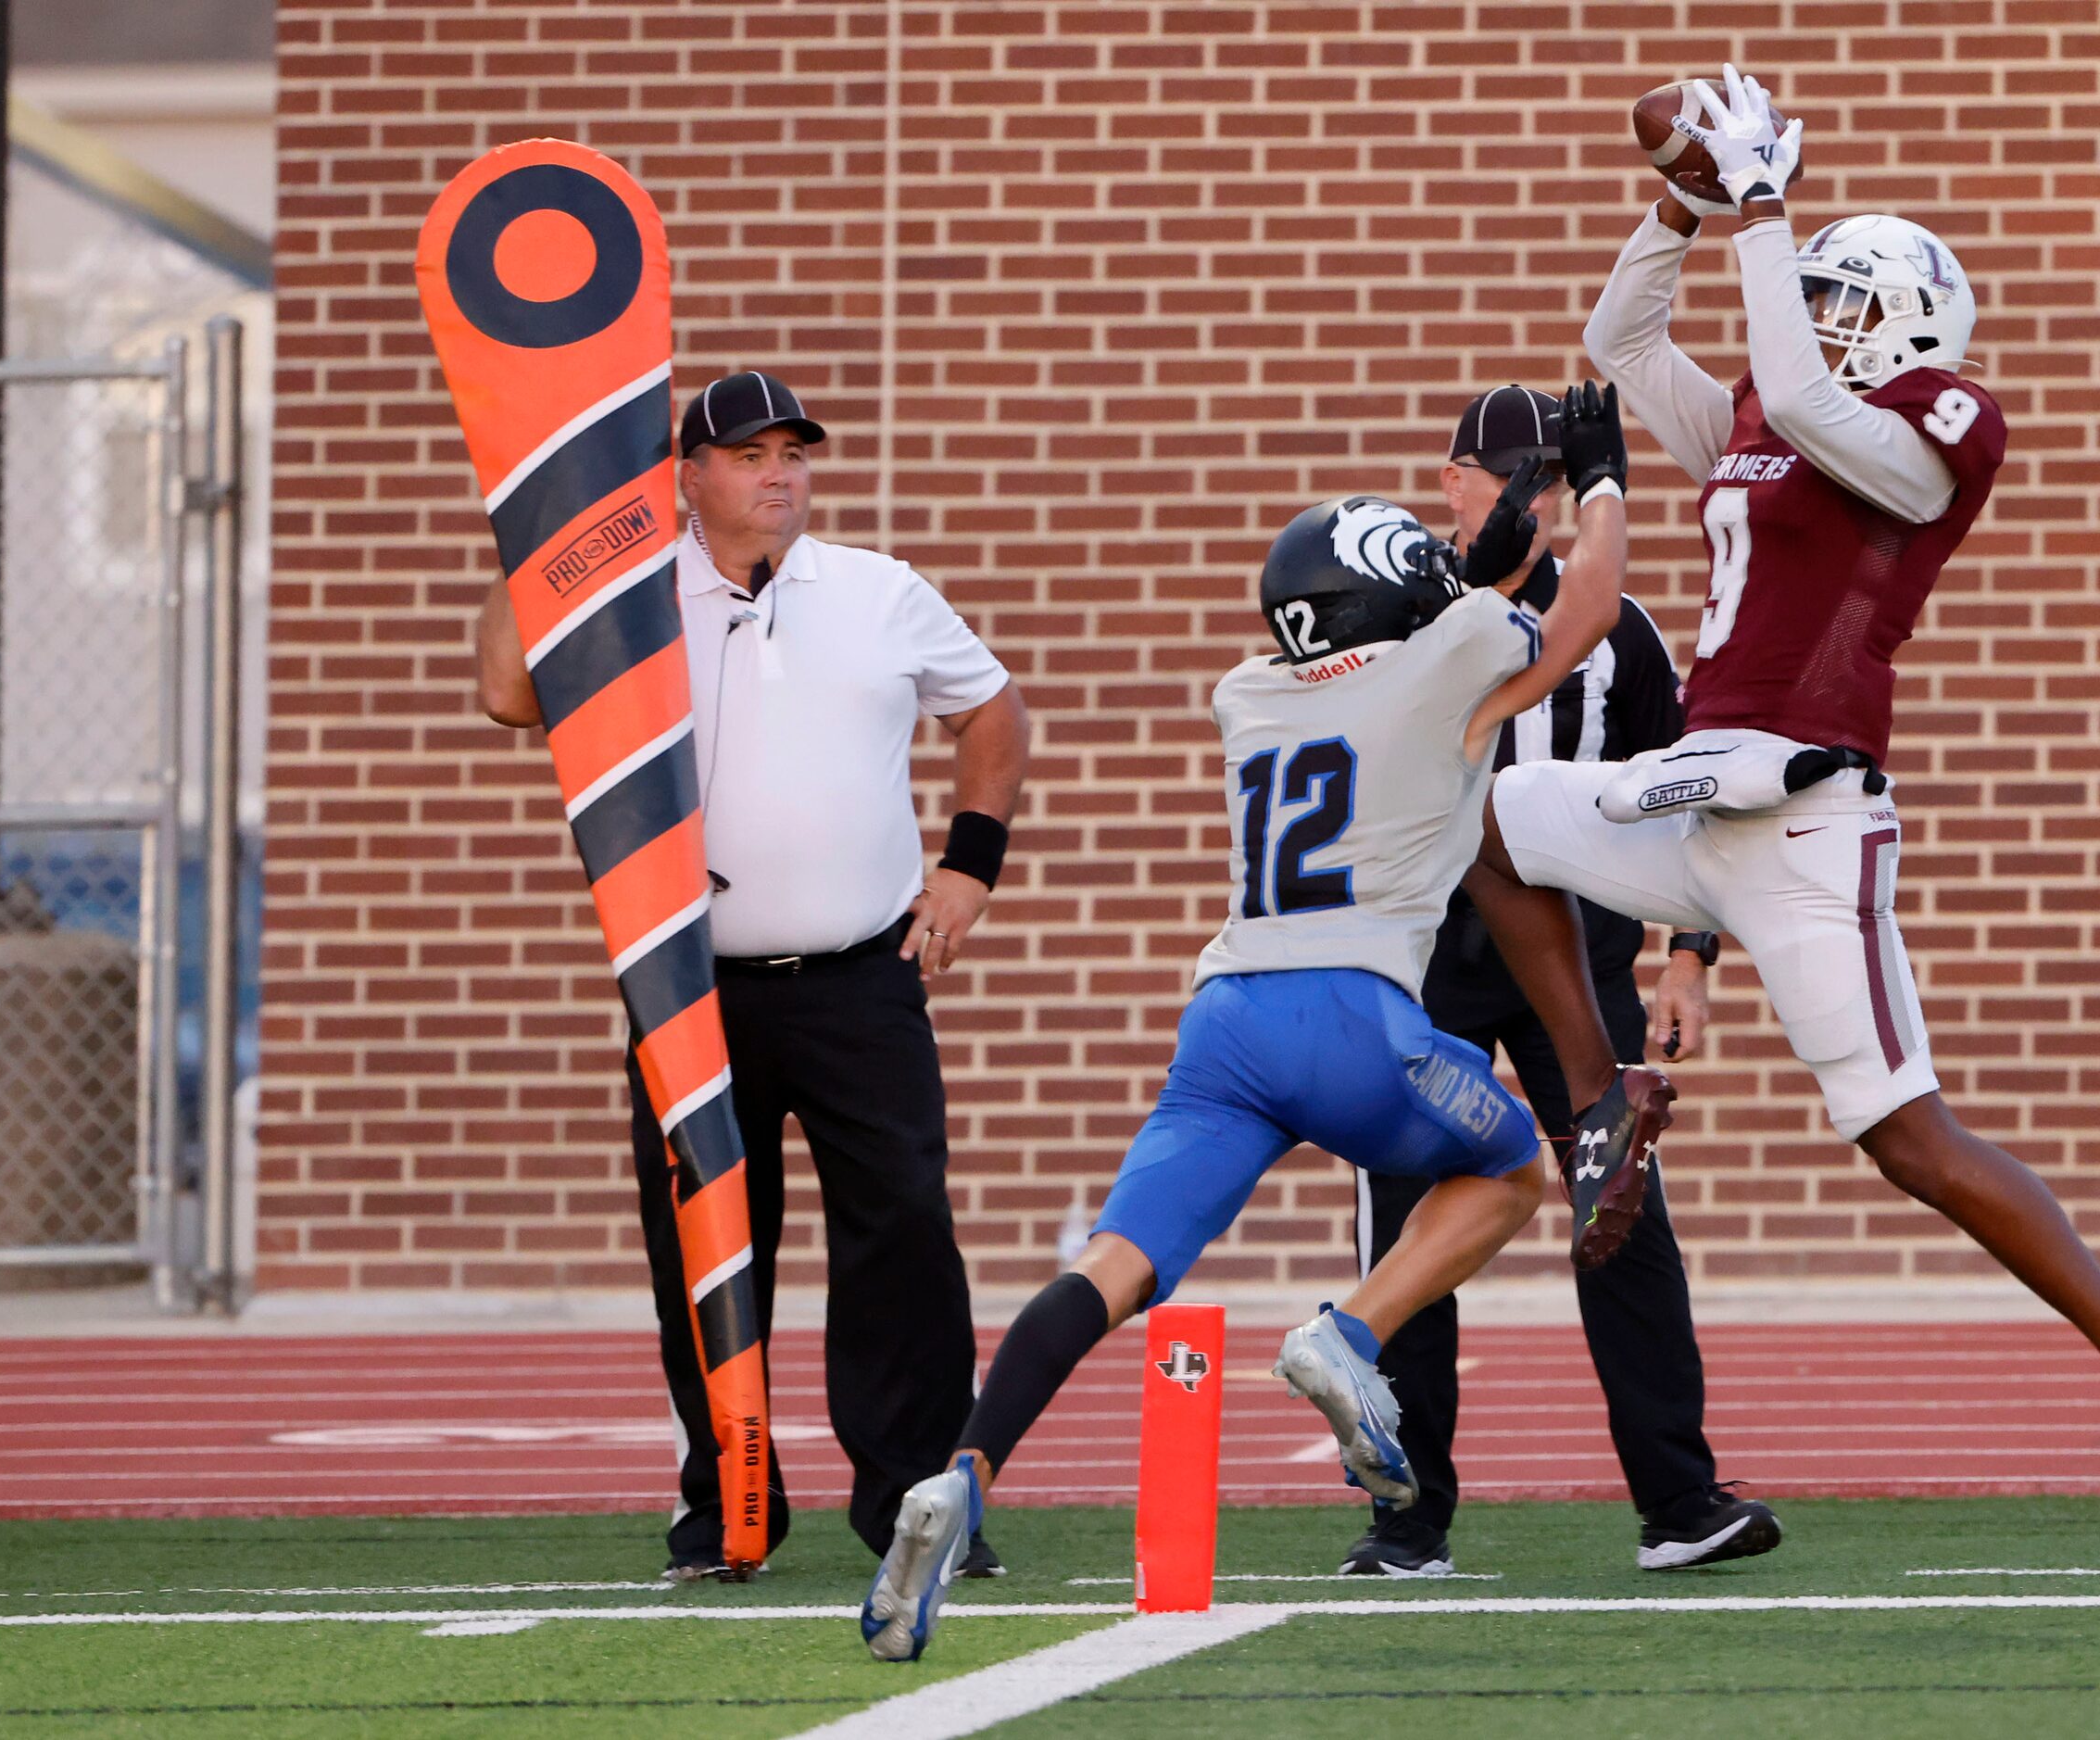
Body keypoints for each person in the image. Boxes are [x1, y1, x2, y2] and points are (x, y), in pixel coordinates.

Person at [1481, 68, 2100, 1555]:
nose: (1808, 315)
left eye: (1837, 296)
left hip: (1808, 819)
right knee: (1494, 823)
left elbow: (1818, 399)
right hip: (1704, 798)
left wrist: (1765, 207)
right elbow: (1619, 343)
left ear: (1906, 321)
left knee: (1910, 1141)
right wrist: (1688, 204)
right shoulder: (1773, 415)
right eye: (1805, 292)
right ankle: (1597, 1108)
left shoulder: (1926, 432)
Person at [858, 382, 1674, 1663]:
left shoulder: (1253, 689)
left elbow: (1440, 596)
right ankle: (1347, 1330)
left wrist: (1489, 533)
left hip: (1226, 1023)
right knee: (1523, 1165)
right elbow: (1581, 607)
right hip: (1359, 1016)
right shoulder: (1444, 667)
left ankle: (963, 1469)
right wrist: (1605, 484)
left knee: (1112, 1266)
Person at [474, 370, 1033, 1581]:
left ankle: (915, 1504)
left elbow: (994, 714)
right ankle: (724, 1503)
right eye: (749, 454)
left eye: (794, 452)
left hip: (863, 974)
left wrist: (968, 870)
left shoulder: (881, 591)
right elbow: (509, 693)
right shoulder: (626, 592)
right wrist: (541, 535)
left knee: (904, 1234)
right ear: (689, 474)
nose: (779, 473)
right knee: (707, 1244)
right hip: (688, 985)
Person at [1337, 385, 1777, 1578]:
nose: (1532, 501)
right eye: (1512, 477)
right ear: (1455, 481)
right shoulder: (1405, 600)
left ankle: (1680, 1501)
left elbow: (1692, 801)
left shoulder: (1620, 631)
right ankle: (1406, 1514)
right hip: (1427, 953)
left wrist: (1691, 957)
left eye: (1551, 480)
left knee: (1619, 1208)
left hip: (1572, 961)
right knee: (1404, 1215)